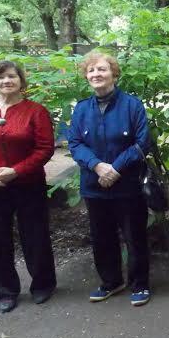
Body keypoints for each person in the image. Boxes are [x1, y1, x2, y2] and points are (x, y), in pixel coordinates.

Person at [0, 60, 57, 313]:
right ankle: (5, 291)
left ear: (21, 81)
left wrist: (14, 171)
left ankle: (43, 285)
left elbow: (45, 149)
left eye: (12, 76)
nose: (7, 81)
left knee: (35, 236)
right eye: (1, 77)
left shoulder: (36, 111)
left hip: (28, 184)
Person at [68, 51, 152, 307]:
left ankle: (140, 284)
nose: (96, 74)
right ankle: (111, 282)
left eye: (102, 69)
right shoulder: (81, 108)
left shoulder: (132, 105)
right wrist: (97, 166)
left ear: (114, 73)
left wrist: (115, 168)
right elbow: (74, 143)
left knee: (134, 236)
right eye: (91, 71)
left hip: (127, 185)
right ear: (86, 76)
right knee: (101, 237)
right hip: (94, 186)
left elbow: (142, 143)